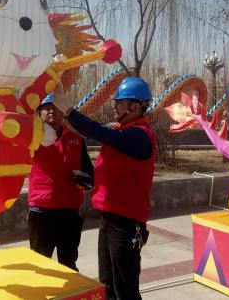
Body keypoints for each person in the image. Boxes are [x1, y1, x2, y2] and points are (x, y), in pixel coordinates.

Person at [52, 77, 156, 300]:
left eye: (119, 102)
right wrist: (90, 179)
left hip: (126, 224)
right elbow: (115, 169)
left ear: (135, 106)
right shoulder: (122, 131)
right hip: (109, 220)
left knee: (125, 289)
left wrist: (69, 111)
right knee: (107, 283)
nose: (114, 106)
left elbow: (100, 132)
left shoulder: (140, 135)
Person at [28, 93, 94, 271]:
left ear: (62, 111)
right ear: (39, 113)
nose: (51, 111)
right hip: (41, 210)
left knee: (68, 264)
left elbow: (89, 172)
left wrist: (85, 179)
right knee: (40, 267)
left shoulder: (76, 139)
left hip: (69, 212)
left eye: (55, 107)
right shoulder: (31, 138)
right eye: (46, 108)